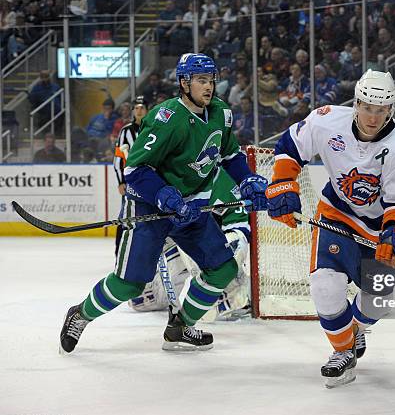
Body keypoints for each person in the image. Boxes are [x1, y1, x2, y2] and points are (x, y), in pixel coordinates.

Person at [59, 53, 269, 354]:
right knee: (130, 284)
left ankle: (181, 326)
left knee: (222, 269)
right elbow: (134, 170)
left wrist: (247, 179)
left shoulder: (221, 113)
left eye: (211, 80)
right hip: (150, 207)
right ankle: (79, 314)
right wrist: (164, 194)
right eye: (200, 80)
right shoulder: (167, 118)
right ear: (184, 82)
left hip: (192, 209)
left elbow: (230, 154)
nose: (208, 87)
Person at [265, 70, 395, 387]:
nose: (373, 116)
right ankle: (342, 353)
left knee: (376, 303)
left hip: (378, 231)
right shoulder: (327, 121)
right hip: (336, 216)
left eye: (381, 110)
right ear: (356, 103)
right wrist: (283, 182)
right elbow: (290, 144)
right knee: (324, 286)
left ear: (391, 109)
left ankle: (356, 329)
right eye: (367, 107)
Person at [112, 95, 149, 255]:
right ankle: (120, 254)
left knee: (153, 218)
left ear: (147, 110)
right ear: (133, 111)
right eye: (136, 108)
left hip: (151, 181)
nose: (139, 110)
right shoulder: (125, 131)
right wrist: (121, 181)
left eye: (142, 107)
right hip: (131, 182)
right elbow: (118, 158)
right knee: (126, 218)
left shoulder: (155, 128)